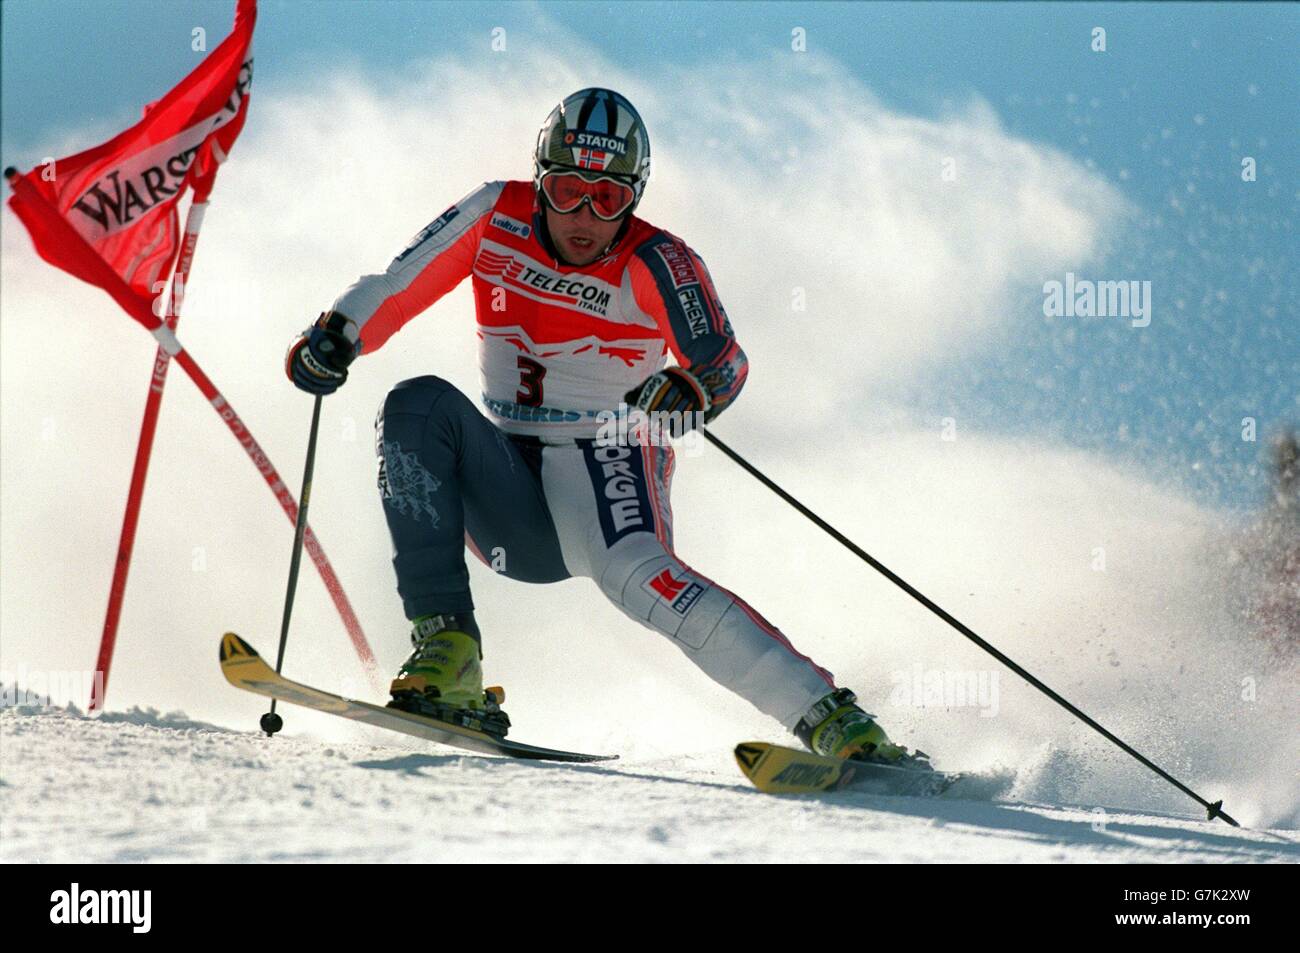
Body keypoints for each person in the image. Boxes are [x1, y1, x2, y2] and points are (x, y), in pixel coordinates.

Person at [286, 87, 915, 763]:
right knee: (416, 405)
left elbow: (724, 360)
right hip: (508, 486)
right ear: (539, 181)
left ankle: (830, 719)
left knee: (637, 575)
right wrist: (335, 335)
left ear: (634, 198)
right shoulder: (496, 213)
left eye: (608, 199)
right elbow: (396, 282)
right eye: (565, 190)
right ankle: (449, 652)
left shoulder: (658, 260)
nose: (584, 216)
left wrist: (691, 386)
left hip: (604, 457)